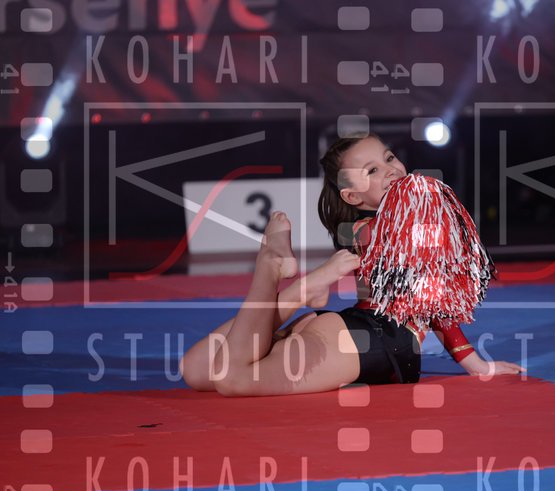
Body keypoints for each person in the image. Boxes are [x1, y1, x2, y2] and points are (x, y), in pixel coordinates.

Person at [180, 133, 524, 397]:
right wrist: (476, 364)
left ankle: (299, 290)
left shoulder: (367, 230)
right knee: (233, 378)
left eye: (389, 158)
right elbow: (434, 305)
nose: (390, 170)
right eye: (372, 170)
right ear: (353, 197)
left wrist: (474, 363)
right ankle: (272, 271)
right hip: (377, 341)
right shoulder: (386, 229)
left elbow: (431, 301)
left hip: (341, 326)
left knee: (197, 369)